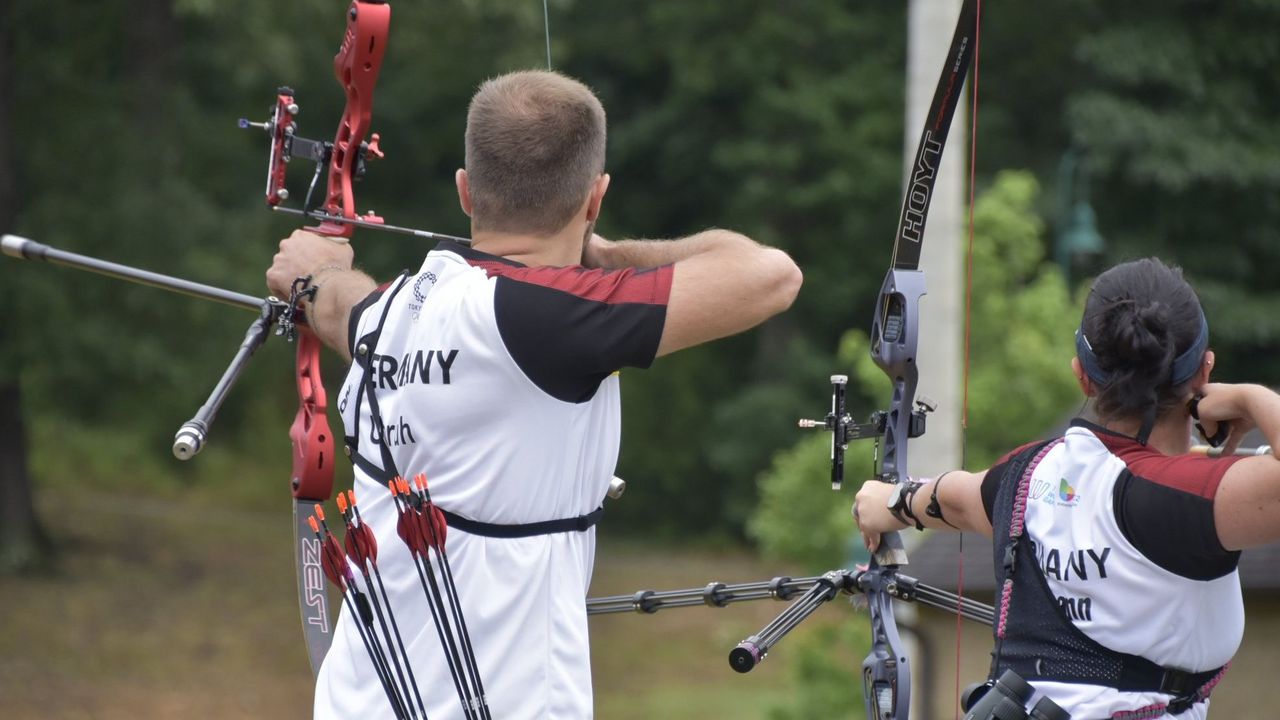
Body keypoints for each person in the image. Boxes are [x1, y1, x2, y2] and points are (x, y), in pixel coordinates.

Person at [266, 70, 802, 719]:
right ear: (595, 199)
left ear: (466, 191)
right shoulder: (561, 323)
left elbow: (341, 306)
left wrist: (315, 274)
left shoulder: (393, 310)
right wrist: (609, 255)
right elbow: (771, 273)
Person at [853, 257, 1280, 719]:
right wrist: (1251, 398)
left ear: (1082, 376)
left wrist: (890, 502)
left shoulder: (1026, 474)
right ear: (1204, 372)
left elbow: (954, 498)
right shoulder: (1188, 498)